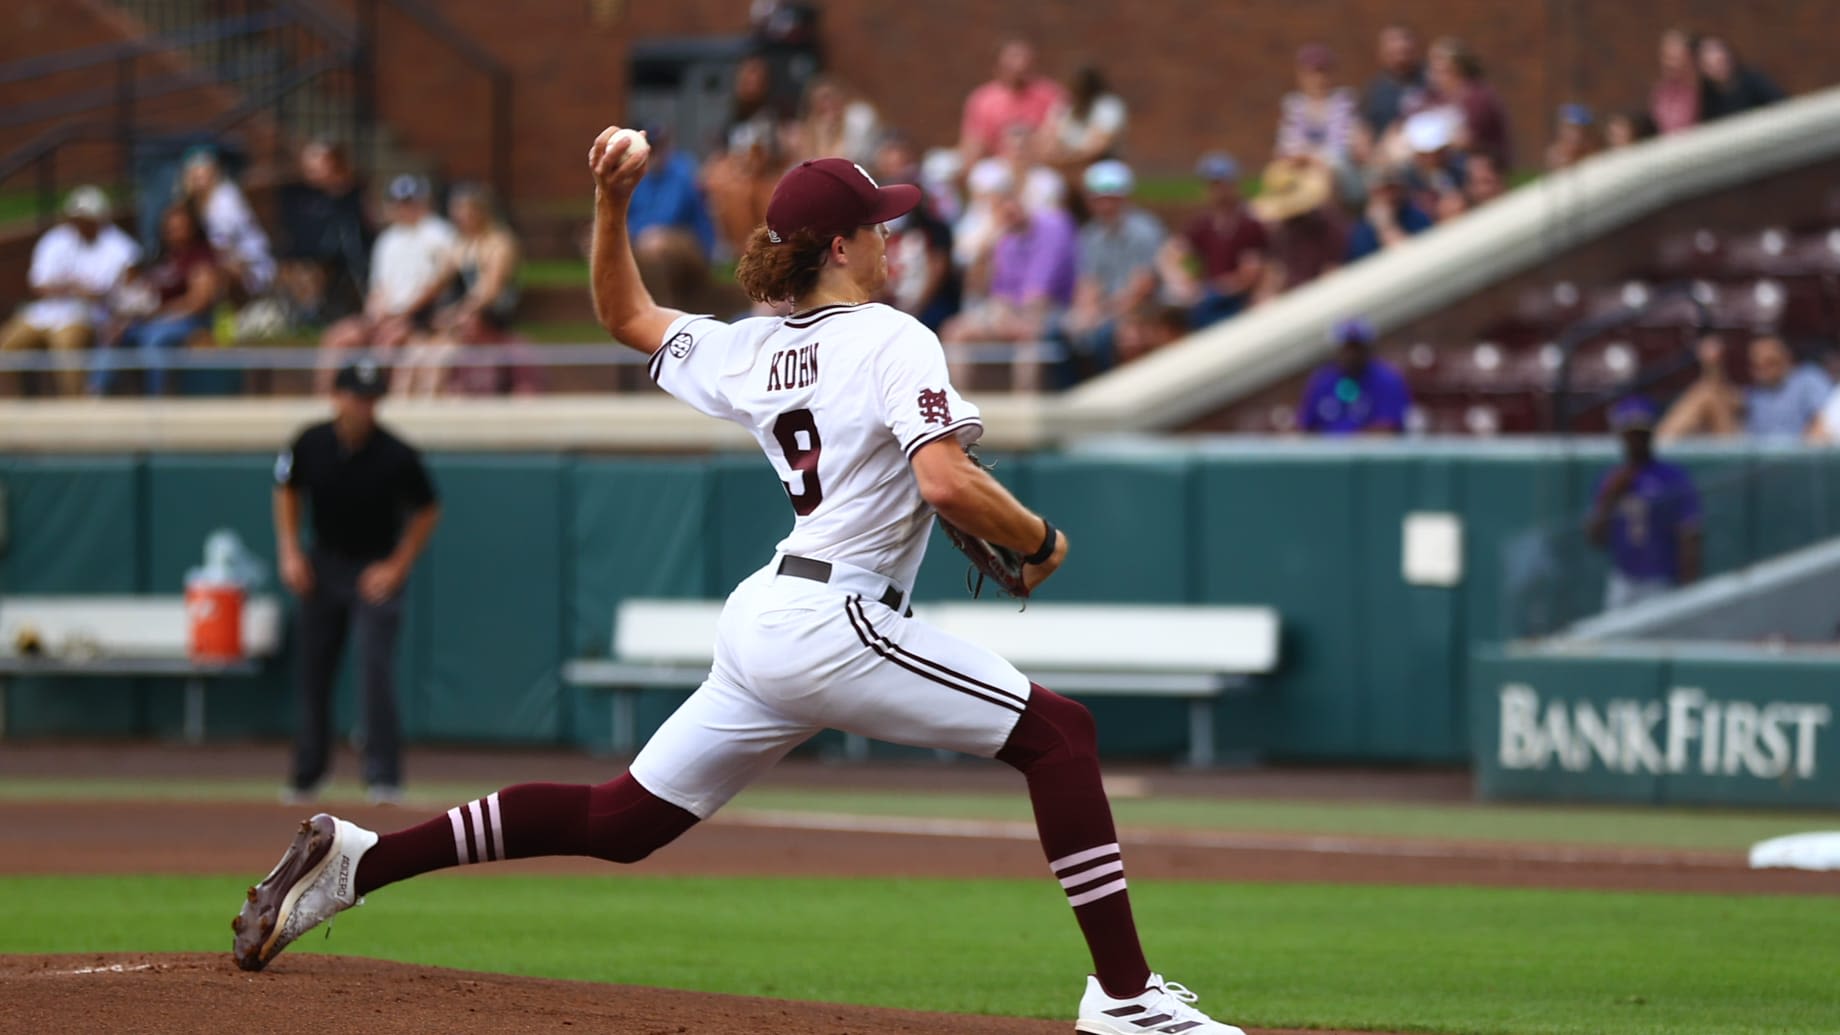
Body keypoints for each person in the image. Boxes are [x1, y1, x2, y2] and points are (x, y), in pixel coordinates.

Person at [232, 130, 1250, 1035]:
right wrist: (1038, 537)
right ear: (842, 246)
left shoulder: (755, 348)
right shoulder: (895, 336)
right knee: (1059, 735)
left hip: (773, 614)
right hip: (832, 617)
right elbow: (944, 479)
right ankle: (1124, 996)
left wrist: (609, 204)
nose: (893, 239)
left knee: (622, 822)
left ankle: (361, 861)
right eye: (878, 225)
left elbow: (623, 314)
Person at [272, 357, 441, 804]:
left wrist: (398, 564)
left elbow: (427, 507)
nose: (363, 406)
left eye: (371, 398)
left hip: (374, 569)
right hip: (323, 564)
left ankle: (383, 776)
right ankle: (308, 775)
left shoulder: (396, 453)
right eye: (356, 396)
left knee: (375, 671)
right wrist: (289, 549)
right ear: (336, 397)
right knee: (313, 671)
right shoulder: (310, 443)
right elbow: (286, 487)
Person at [317, 175, 458, 391]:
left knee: (387, 343)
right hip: (387, 315)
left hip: (419, 317)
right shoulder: (387, 239)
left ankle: (373, 398)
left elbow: (439, 283)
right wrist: (373, 314)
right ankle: (327, 401)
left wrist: (403, 315)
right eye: (400, 202)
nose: (405, 207)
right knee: (338, 337)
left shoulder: (439, 233)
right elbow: (379, 286)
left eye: (410, 201)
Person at [0, 186, 139, 397]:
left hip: (88, 316)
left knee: (65, 347)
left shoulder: (119, 246)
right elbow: (38, 286)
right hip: (44, 313)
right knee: (6, 346)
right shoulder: (55, 240)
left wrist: (81, 292)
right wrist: (73, 289)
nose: (80, 224)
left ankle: (73, 407)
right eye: (77, 219)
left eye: (86, 219)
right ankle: (11, 405)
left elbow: (121, 290)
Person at [940, 178, 1078, 391]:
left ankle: (1023, 410)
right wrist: (988, 242)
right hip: (1008, 312)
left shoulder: (1054, 226)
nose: (1007, 209)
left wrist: (1004, 316)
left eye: (1010, 201)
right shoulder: (1004, 237)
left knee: (1028, 335)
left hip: (1051, 311)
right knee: (953, 332)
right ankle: (962, 409)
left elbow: (1039, 297)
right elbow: (980, 289)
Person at [398, 184, 522, 398]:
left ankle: (430, 408)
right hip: (462, 314)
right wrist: (407, 308)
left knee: (438, 358)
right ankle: (402, 410)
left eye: (465, 211)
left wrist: (455, 314)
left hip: (489, 314)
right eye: (457, 211)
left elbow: (490, 291)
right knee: (414, 354)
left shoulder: (498, 243)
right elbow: (439, 282)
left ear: (480, 211)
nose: (460, 217)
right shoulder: (460, 244)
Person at [90, 200, 223, 397]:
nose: (173, 233)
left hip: (189, 320)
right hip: (151, 317)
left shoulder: (200, 257)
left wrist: (159, 313)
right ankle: (96, 393)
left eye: (179, 228)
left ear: (192, 228)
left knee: (154, 338)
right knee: (112, 333)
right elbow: (139, 290)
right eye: (169, 229)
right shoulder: (160, 256)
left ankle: (156, 399)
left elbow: (199, 301)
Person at [1588, 397, 1702, 611]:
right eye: (1631, 434)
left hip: (1660, 579)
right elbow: (1595, 537)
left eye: (1641, 434)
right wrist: (1610, 497)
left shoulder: (1672, 477)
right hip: (1623, 577)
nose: (1636, 441)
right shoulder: (1610, 479)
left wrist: (1689, 588)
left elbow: (1689, 533)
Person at [1060, 160, 1164, 382]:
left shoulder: (1144, 231)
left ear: (1123, 198)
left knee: (1107, 336)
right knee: (1062, 333)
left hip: (1142, 309)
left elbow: (1143, 286)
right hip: (1108, 309)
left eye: (1110, 198)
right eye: (1098, 198)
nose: (1105, 205)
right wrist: (1087, 311)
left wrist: (1105, 312)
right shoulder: (1090, 236)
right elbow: (1088, 283)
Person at [1657, 334, 1833, 442]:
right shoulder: (1757, 393)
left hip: (1791, 461)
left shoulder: (1807, 379)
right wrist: (1713, 366)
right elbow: (1723, 398)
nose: (1763, 370)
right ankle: (1654, 449)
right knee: (1706, 392)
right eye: (1757, 365)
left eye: (1770, 363)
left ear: (1787, 358)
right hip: (1747, 459)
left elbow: (1825, 419)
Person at [276, 140, 373, 325]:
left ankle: (310, 316)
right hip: (304, 255)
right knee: (291, 270)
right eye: (308, 165)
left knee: (311, 272)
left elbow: (359, 234)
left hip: (336, 259)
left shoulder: (350, 194)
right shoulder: (301, 196)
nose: (310, 170)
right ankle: (299, 317)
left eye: (317, 164)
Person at [1180, 152, 1267, 327]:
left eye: (1221, 184)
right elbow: (1175, 252)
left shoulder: (1248, 223)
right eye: (1212, 184)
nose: (1217, 190)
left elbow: (1250, 275)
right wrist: (1187, 281)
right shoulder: (1203, 223)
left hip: (1237, 301)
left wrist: (1214, 290)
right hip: (1208, 298)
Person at [181, 148, 276, 297]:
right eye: (195, 172)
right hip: (225, 259)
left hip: (251, 263)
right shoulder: (193, 202)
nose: (199, 177)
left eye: (204, 171)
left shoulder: (226, 198)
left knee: (205, 273)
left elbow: (223, 247)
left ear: (214, 172)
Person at [958, 40, 1066, 166]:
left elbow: (1058, 139)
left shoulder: (1052, 95)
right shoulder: (983, 100)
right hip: (999, 165)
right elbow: (973, 144)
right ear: (998, 67)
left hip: (1040, 165)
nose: (1019, 65)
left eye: (1024, 61)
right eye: (1012, 61)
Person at [1296, 317, 1410, 435]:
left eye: (1357, 348)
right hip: (1326, 451)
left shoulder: (1387, 380)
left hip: (1370, 452)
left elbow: (1387, 430)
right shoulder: (1322, 381)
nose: (1351, 355)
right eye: (1347, 348)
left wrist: (1346, 443)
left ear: (1368, 348)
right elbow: (1305, 428)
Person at [1040, 65, 1128, 170]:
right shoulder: (1064, 107)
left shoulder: (1107, 106)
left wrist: (1067, 161)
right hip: (1064, 163)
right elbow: (1048, 138)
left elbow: (1098, 146)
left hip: (1101, 164)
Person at [1345, 164, 1431, 263]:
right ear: (1372, 194)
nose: (1390, 196)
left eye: (1393, 189)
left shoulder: (1414, 213)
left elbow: (1421, 256)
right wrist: (1385, 226)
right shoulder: (1363, 234)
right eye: (1383, 191)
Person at [1696, 36, 1784, 122]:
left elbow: (1781, 104)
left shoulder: (1753, 79)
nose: (1719, 69)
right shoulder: (1707, 98)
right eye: (1711, 66)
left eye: (1722, 62)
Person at [1361, 25, 1426, 138]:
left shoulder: (1433, 80)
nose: (1400, 45)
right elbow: (1365, 128)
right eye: (1392, 41)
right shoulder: (1375, 91)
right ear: (1381, 52)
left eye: (1405, 39)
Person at [1650, 28, 1705, 135]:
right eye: (1665, 56)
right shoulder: (1661, 93)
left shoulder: (1706, 88)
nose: (1668, 63)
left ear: (1690, 57)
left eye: (1674, 57)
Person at [1545, 103, 1600, 171]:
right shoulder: (1555, 155)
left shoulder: (1593, 155)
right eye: (1572, 128)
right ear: (1561, 129)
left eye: (1584, 130)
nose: (1579, 135)